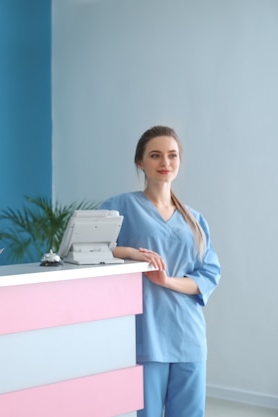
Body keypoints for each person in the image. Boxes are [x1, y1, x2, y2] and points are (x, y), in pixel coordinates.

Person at [99, 125, 221, 417]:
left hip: (188, 336)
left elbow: (209, 275)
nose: (165, 163)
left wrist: (166, 281)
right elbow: (86, 250)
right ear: (140, 162)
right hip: (146, 334)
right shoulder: (120, 207)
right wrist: (130, 253)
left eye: (172, 155)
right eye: (155, 155)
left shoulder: (194, 219)